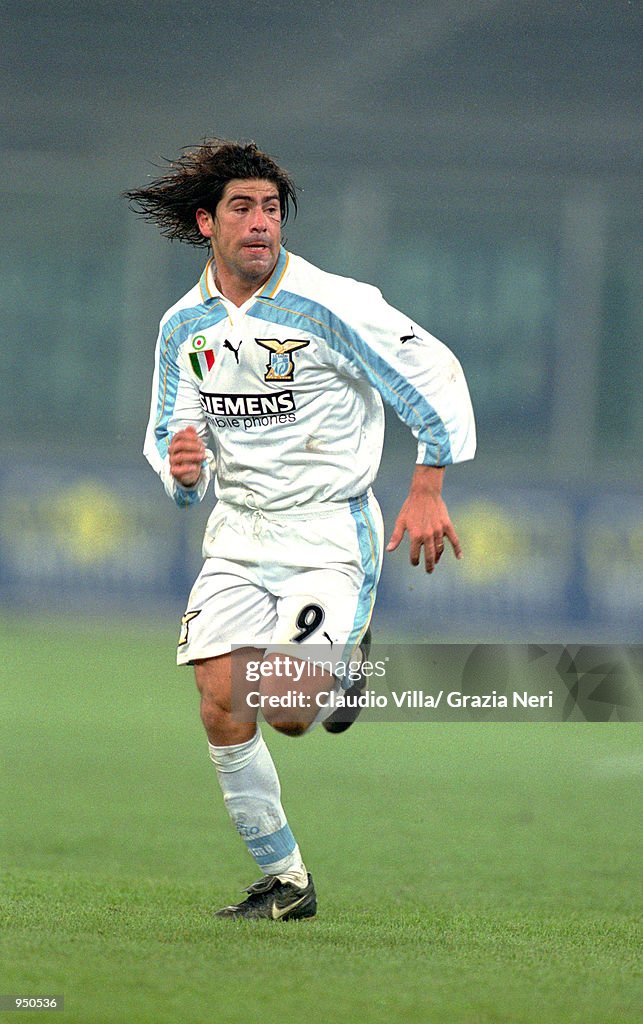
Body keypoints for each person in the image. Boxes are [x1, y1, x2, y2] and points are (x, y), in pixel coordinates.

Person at [125, 138, 476, 921]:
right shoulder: (185, 325)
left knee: (284, 709)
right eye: (243, 208)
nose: (261, 223)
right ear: (205, 223)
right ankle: (286, 882)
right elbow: (171, 435)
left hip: (325, 532)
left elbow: (434, 375)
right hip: (238, 535)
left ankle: (350, 654)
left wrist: (428, 482)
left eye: (272, 208)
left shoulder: (332, 303)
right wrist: (184, 476)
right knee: (221, 702)